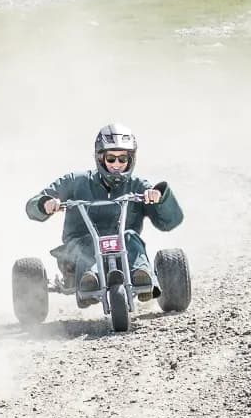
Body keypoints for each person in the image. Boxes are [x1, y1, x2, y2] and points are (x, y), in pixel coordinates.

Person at [26, 126, 183, 299]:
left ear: (131, 159)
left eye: (122, 158)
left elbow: (170, 221)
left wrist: (159, 197)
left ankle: (141, 276)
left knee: (130, 236)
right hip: (78, 250)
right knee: (89, 242)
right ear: (100, 158)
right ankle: (89, 278)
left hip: (124, 251)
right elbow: (33, 205)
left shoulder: (138, 186)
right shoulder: (76, 181)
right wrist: (45, 203)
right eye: (111, 158)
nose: (116, 164)